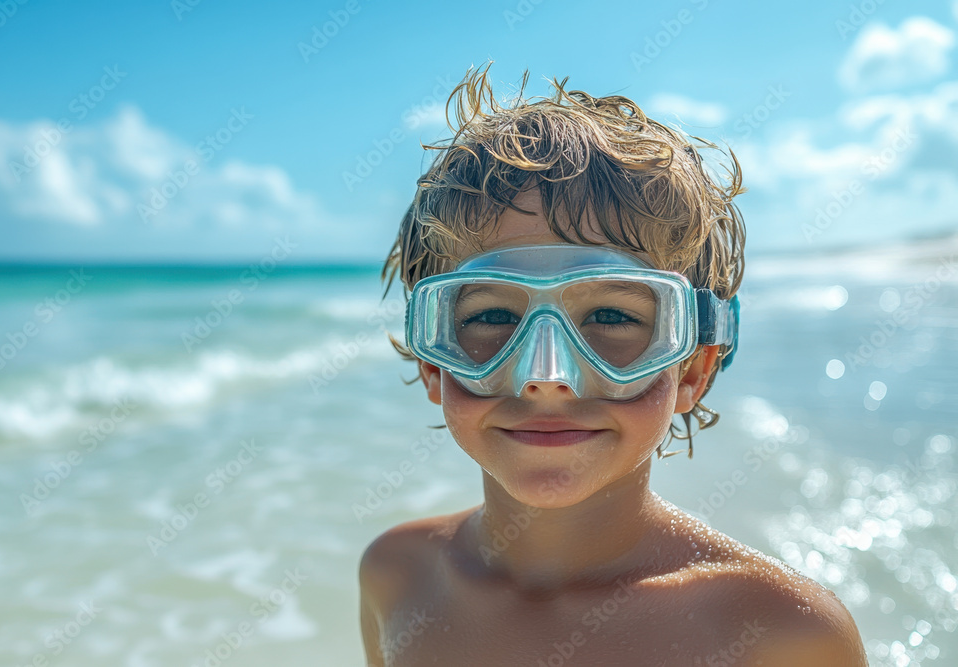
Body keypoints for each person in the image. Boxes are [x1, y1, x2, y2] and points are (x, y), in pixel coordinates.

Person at [359, 63, 867, 666]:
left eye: (613, 318)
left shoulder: (780, 633)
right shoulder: (397, 576)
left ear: (692, 370)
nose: (545, 376)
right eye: (491, 317)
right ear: (433, 365)